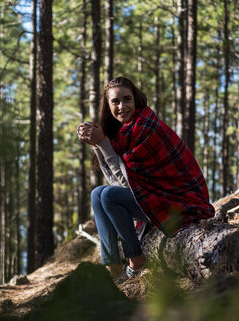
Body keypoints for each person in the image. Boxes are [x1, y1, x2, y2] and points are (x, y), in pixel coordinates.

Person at [77, 76, 214, 279]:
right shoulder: (124, 131)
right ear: (107, 105)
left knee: (108, 196)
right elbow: (117, 180)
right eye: (115, 101)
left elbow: (126, 185)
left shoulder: (146, 129)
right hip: (156, 198)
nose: (122, 106)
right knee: (98, 193)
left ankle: (135, 258)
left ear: (136, 100)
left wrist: (103, 144)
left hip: (180, 203)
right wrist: (98, 145)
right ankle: (112, 266)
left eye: (127, 99)